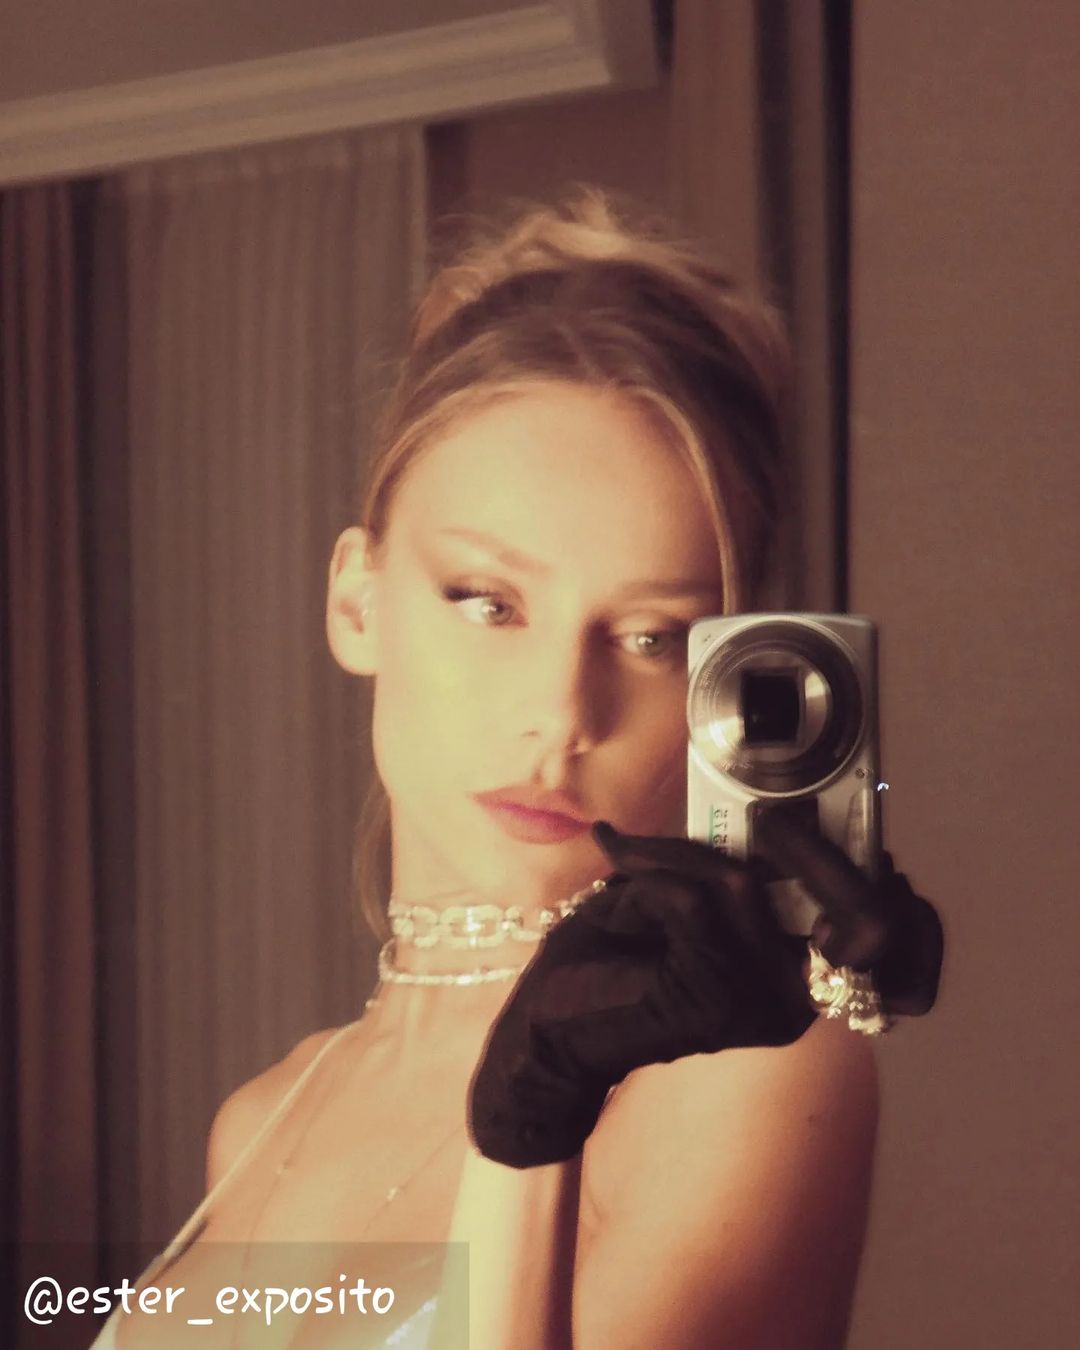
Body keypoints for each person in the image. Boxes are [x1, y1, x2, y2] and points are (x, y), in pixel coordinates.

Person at [89, 187, 943, 1350]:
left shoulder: (752, 1072)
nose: (562, 715)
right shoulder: (265, 1115)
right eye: (490, 603)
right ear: (357, 601)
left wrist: (533, 1129)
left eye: (649, 637)